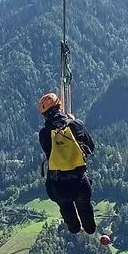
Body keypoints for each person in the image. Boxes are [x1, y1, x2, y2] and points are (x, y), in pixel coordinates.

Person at [37, 92, 98, 235]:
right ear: (60, 106)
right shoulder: (76, 125)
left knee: (66, 207)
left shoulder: (44, 133)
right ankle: (89, 229)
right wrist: (74, 122)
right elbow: (90, 148)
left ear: (44, 114)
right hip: (79, 181)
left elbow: (48, 151)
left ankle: (75, 229)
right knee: (84, 207)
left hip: (58, 184)